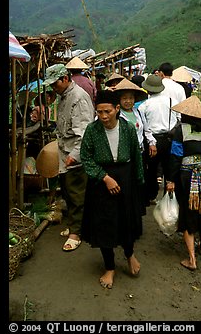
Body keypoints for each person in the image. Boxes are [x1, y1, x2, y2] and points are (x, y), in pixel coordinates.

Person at [80, 90, 145, 290]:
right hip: (101, 179)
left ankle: (129, 254)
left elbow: (136, 157)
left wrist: (138, 183)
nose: (104, 117)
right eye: (99, 112)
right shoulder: (92, 130)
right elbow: (86, 158)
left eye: (107, 111)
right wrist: (105, 178)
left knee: (126, 220)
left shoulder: (128, 129)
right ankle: (109, 267)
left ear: (117, 109)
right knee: (104, 224)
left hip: (125, 176)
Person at [166, 95, 201, 271]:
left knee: (188, 212)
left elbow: (176, 158)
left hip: (186, 175)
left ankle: (191, 259)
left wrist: (171, 179)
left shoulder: (180, 132)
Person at [42, 63, 95, 252]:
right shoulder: (65, 96)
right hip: (66, 151)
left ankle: (77, 232)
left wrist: (75, 155)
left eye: (55, 84)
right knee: (68, 192)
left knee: (76, 193)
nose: (53, 89)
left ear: (65, 79)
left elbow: (85, 132)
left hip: (75, 153)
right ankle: (74, 225)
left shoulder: (78, 97)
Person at [114, 78, 157, 207]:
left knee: (139, 178)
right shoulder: (117, 115)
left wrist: (152, 143)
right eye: (125, 98)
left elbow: (147, 129)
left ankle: (138, 205)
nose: (128, 101)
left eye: (131, 98)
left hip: (140, 152)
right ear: (119, 100)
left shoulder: (138, 112)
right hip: (125, 154)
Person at [138, 74, 180, 204]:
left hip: (152, 140)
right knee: (170, 167)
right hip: (170, 138)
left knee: (151, 169)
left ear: (148, 89)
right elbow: (179, 119)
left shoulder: (144, 106)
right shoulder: (173, 102)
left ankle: (151, 195)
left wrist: (151, 143)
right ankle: (169, 194)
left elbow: (145, 127)